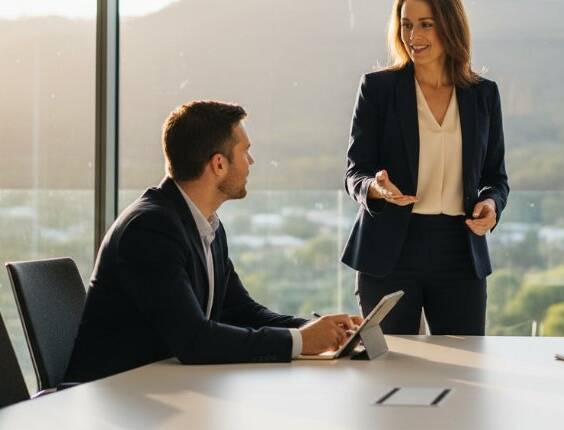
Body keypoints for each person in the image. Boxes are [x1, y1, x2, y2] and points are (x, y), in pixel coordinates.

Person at [66, 101, 361, 383]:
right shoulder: (149, 229)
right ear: (218, 164)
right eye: (245, 152)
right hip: (116, 399)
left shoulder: (206, 225)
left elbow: (242, 311)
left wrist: (316, 330)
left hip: (162, 390)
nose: (251, 162)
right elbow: (194, 340)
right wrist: (300, 342)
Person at [341, 0, 509, 335]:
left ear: (450, 25)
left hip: (460, 252)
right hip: (390, 251)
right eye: (406, 25)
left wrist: (492, 206)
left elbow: (496, 178)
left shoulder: (483, 95)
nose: (413, 35)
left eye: (425, 24)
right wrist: (376, 188)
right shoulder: (378, 89)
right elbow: (355, 172)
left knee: (465, 366)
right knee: (388, 368)